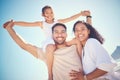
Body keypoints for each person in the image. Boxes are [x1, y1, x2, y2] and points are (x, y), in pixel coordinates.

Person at [3, 21, 82, 80]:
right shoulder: (48, 53)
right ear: (52, 35)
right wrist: (9, 29)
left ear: (66, 34)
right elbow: (24, 46)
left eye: (63, 32)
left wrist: (89, 17)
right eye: (56, 32)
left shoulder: (74, 46)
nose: (60, 35)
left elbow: (89, 38)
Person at [9, 5, 91, 53]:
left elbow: (70, 18)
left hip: (61, 40)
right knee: (51, 47)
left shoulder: (57, 21)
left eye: (51, 12)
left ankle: (81, 59)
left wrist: (81, 13)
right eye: (47, 13)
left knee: (77, 40)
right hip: (50, 42)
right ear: (43, 15)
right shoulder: (42, 24)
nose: (50, 14)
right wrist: (14, 23)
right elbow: (27, 24)